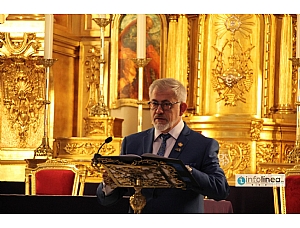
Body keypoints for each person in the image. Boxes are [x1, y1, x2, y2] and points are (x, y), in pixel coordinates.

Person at [96, 78, 230, 213]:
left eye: (166, 105)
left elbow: (220, 189)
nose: (159, 111)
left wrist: (187, 172)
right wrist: (109, 183)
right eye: (154, 104)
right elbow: (107, 200)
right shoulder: (132, 143)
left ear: (182, 108)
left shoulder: (202, 145)